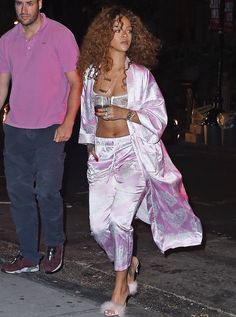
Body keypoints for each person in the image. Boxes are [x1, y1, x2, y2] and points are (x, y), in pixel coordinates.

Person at [78, 6, 202, 317]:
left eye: (129, 30)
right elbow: (87, 113)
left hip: (132, 154)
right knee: (97, 227)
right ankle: (129, 262)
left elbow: (158, 119)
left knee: (121, 222)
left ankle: (120, 287)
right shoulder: (92, 72)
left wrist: (127, 113)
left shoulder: (141, 76)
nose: (125, 35)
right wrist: (90, 143)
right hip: (102, 155)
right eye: (118, 29)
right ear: (104, 33)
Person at [0, 0, 81, 274]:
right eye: (19, 3)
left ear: (39, 3)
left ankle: (55, 244)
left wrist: (68, 121)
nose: (24, 9)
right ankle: (28, 256)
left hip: (50, 127)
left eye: (29, 2)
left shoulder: (60, 34)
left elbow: (75, 82)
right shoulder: (6, 40)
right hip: (16, 129)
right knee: (19, 193)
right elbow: (3, 84)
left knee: (47, 189)